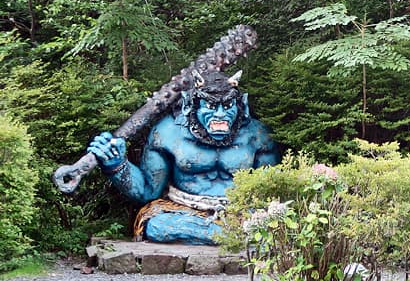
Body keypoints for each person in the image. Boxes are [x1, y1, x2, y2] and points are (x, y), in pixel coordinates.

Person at [87, 69, 279, 244]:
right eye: (211, 107)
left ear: (240, 106)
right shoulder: (167, 133)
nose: (220, 115)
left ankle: (222, 233)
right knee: (157, 225)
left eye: (228, 106)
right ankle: (230, 235)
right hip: (184, 211)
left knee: (270, 219)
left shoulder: (257, 135)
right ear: (191, 106)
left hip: (241, 212)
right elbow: (148, 192)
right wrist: (117, 166)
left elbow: (267, 194)